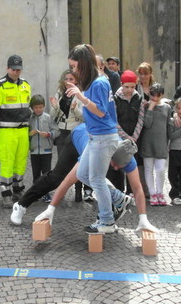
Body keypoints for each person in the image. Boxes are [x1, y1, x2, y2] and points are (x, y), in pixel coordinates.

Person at [32, 125, 158, 235]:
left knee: (98, 179)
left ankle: (114, 205)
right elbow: (67, 182)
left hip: (100, 137)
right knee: (61, 175)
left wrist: (143, 219)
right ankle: (117, 199)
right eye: (113, 163)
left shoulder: (128, 157)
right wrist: (51, 209)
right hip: (75, 137)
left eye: (119, 167)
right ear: (109, 155)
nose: (114, 168)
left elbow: (137, 189)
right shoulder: (92, 153)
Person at [66, 44, 119, 234]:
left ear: (83, 64)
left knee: (96, 179)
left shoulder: (99, 83)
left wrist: (81, 97)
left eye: (74, 66)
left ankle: (107, 221)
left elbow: (100, 110)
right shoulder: (94, 81)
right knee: (82, 175)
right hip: (95, 136)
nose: (73, 70)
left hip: (103, 137)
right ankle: (118, 198)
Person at [0, 54, 31, 208]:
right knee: (7, 161)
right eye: (13, 69)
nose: (16, 72)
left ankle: (18, 189)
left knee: (21, 161)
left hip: (23, 131)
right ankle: (6, 193)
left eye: (18, 69)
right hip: (7, 131)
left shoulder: (26, 85)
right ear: (7, 68)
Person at [49, 70, 84, 201]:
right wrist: (55, 107)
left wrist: (75, 110)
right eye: (66, 79)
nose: (68, 82)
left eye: (72, 79)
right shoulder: (59, 93)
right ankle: (61, 191)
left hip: (75, 131)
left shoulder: (80, 94)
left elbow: (85, 117)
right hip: (61, 131)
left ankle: (78, 191)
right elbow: (52, 116)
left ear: (76, 81)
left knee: (77, 163)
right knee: (61, 163)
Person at [114, 70, 146, 196]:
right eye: (127, 87)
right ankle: (119, 190)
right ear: (122, 85)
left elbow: (141, 119)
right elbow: (114, 120)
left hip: (135, 137)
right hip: (120, 136)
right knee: (118, 162)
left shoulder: (139, 99)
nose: (129, 90)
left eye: (132, 87)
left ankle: (132, 191)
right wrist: (125, 137)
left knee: (133, 163)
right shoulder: (115, 99)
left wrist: (134, 137)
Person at [140, 83, 172, 206]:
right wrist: (150, 109)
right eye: (152, 96)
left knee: (160, 170)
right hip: (148, 143)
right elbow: (147, 124)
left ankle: (160, 192)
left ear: (161, 95)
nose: (154, 99)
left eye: (157, 96)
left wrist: (169, 142)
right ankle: (153, 193)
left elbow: (168, 125)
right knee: (148, 169)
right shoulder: (146, 106)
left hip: (161, 143)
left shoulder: (167, 108)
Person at [28, 94, 60, 202]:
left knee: (46, 173)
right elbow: (24, 133)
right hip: (34, 151)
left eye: (40, 107)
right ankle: (35, 193)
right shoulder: (29, 119)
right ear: (32, 108)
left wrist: (48, 134)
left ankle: (46, 193)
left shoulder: (48, 118)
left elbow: (57, 131)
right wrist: (29, 134)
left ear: (44, 106)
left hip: (46, 150)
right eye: (36, 107)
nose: (38, 109)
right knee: (36, 173)